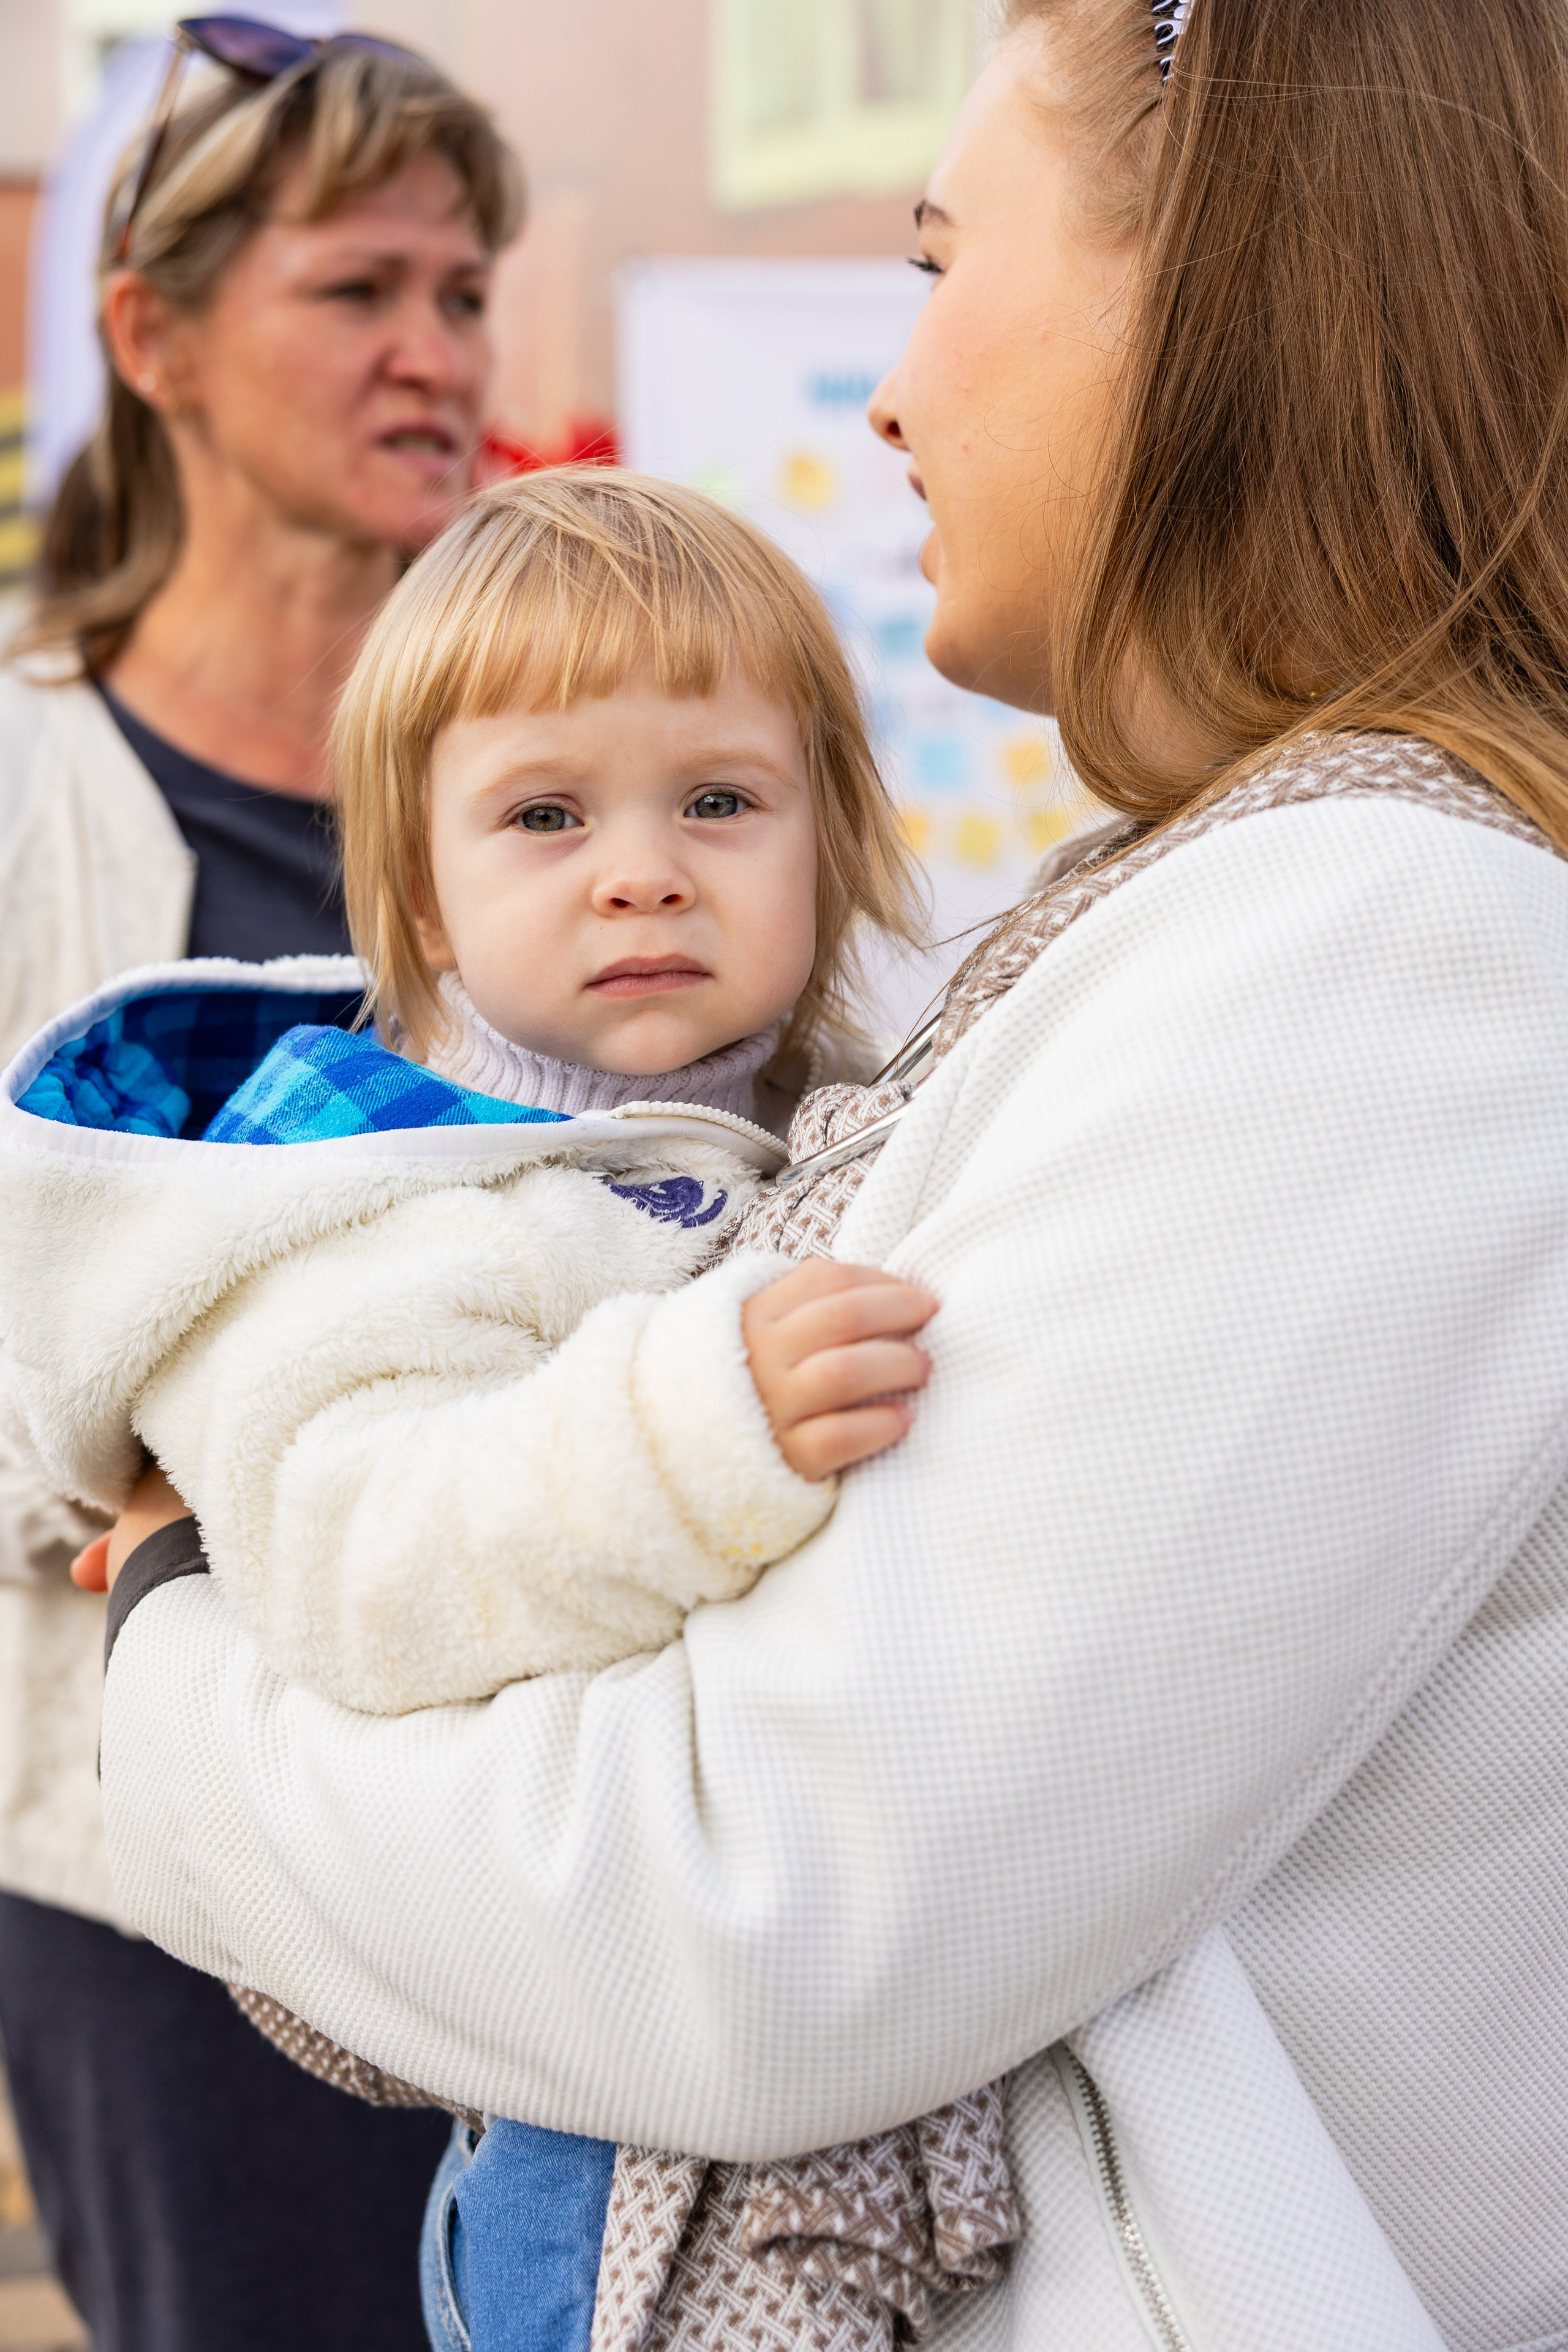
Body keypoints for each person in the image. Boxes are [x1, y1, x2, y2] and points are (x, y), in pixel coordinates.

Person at [70, 0, 1568, 2341]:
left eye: (944, 262)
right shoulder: (1287, 901)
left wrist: (162, 1670)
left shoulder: (1382, 941)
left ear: (1212, 306)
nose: (892, 393)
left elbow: (751, 1908)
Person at [0, 26, 521, 2351]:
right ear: (153, 335)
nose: (439, 352)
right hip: (153, 1847)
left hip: (537, 1833)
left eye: (468, 290)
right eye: (361, 291)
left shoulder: (553, 787)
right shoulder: (29, 787)